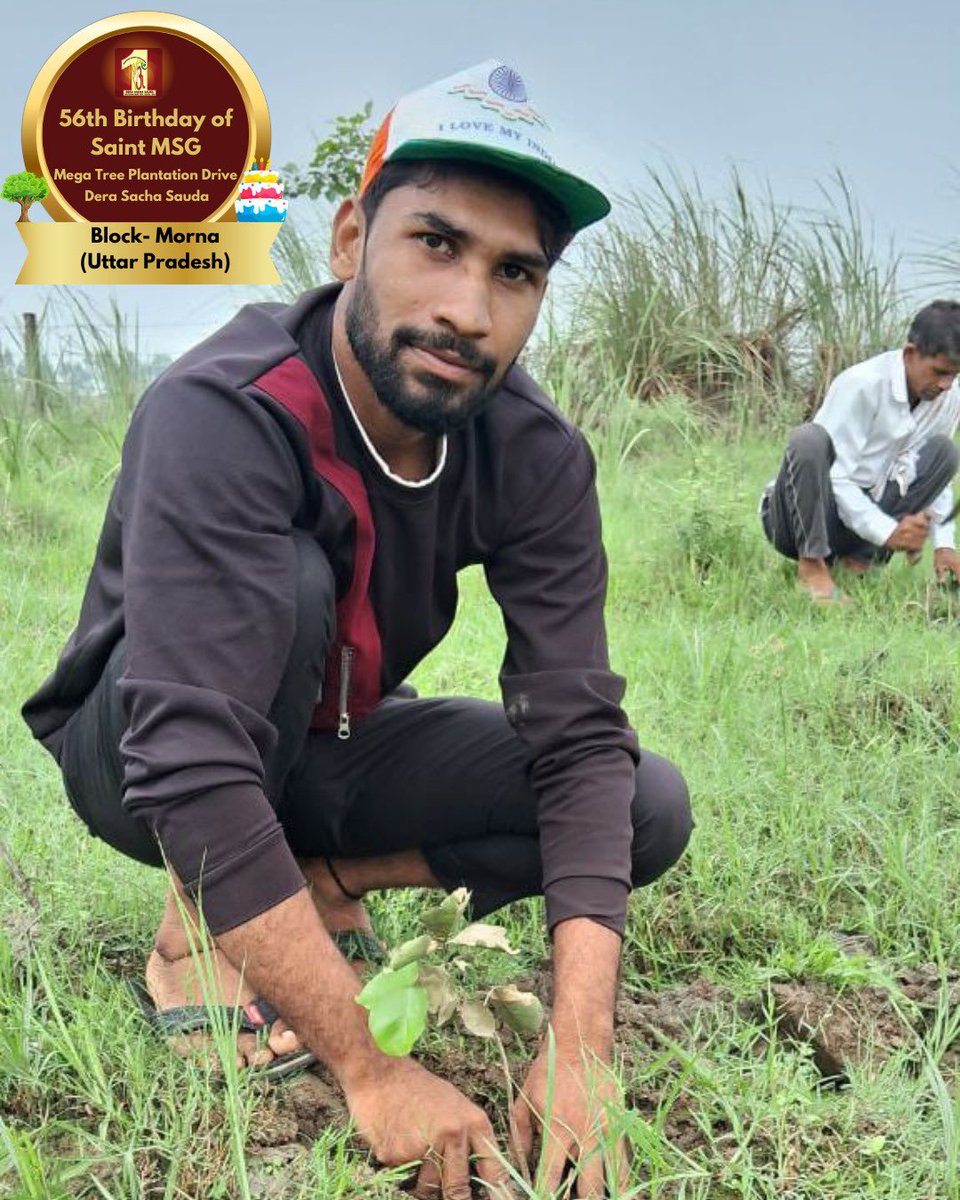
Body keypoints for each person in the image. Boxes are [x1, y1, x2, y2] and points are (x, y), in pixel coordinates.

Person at [22, 61, 691, 1197]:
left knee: (639, 802)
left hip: (331, 741)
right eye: (435, 242)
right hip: (141, 750)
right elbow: (183, 758)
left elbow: (575, 736)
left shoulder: (534, 454)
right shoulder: (225, 410)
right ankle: (203, 918)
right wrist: (373, 1068)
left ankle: (318, 877)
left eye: (514, 272)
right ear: (348, 240)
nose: (467, 310)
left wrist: (582, 1048)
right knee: (286, 583)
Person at [760, 301, 960, 602]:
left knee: (944, 452)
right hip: (799, 519)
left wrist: (945, 544)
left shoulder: (947, 397)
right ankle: (812, 566)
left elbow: (935, 477)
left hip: (862, 520)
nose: (945, 384)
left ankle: (859, 562)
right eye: (939, 372)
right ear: (909, 354)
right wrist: (887, 532)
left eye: (955, 375)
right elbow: (836, 478)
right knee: (808, 440)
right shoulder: (861, 384)